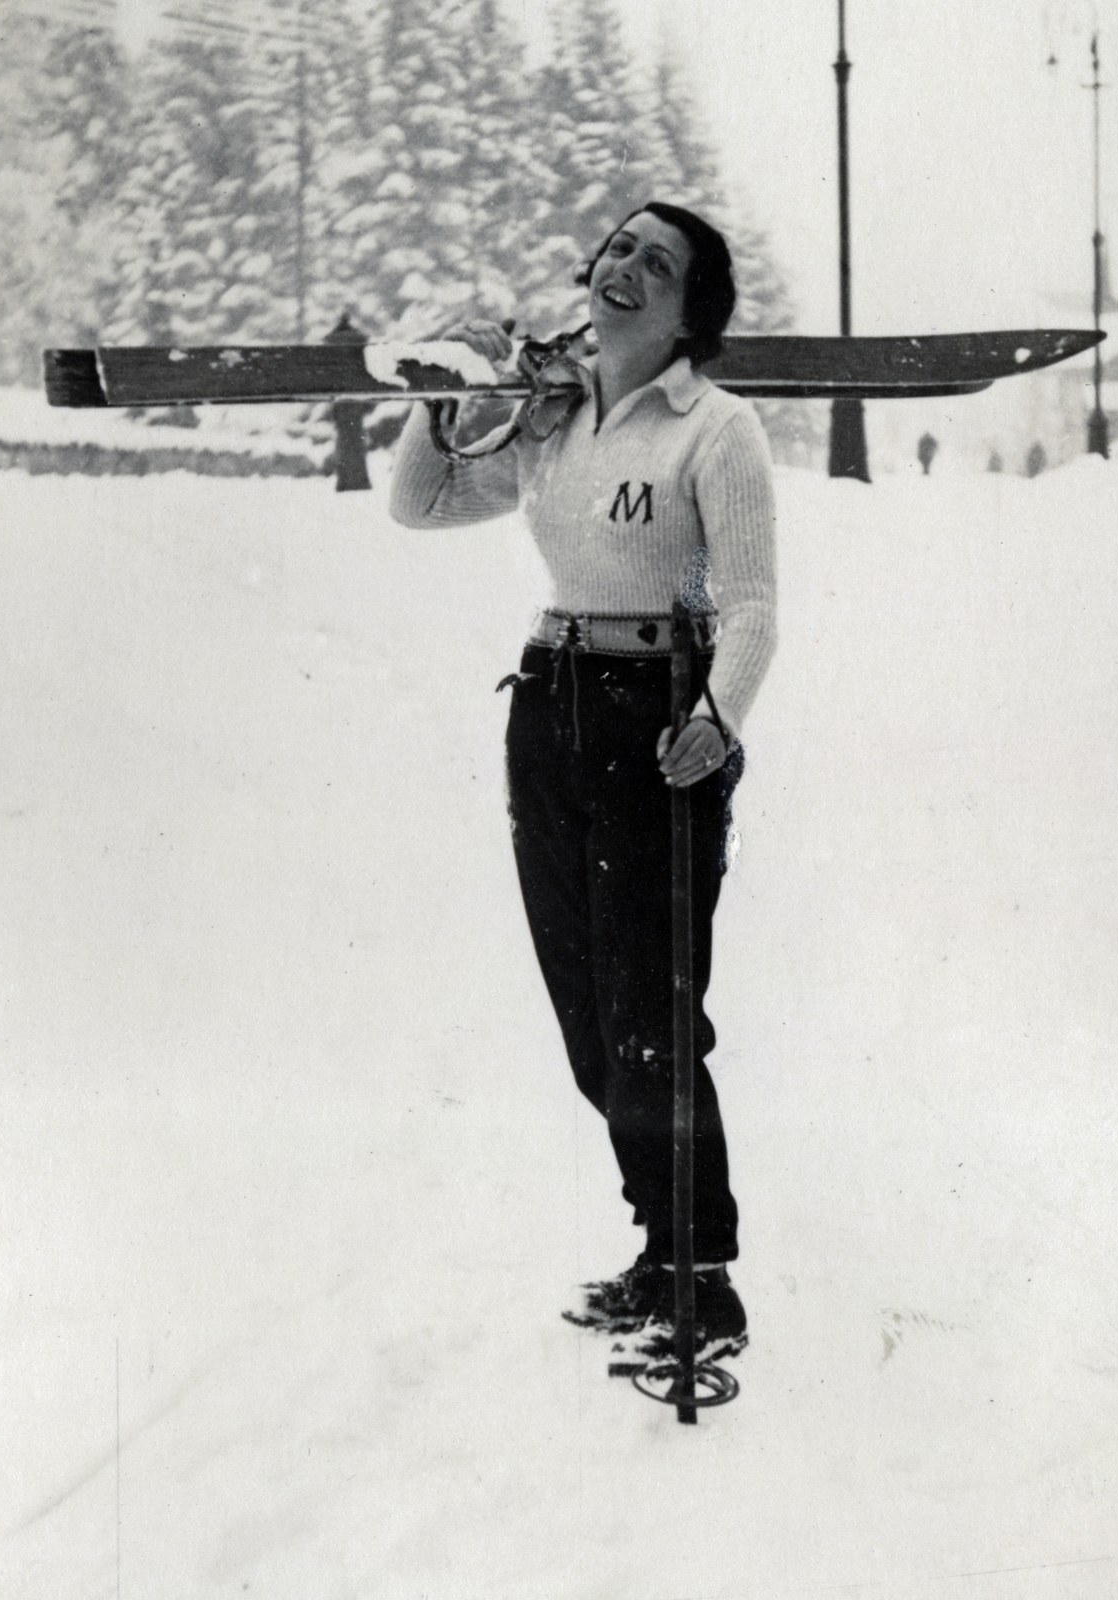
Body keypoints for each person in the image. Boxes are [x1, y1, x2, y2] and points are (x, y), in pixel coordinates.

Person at [389, 201, 777, 1358]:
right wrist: (441, 398)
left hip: (657, 720)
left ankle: (703, 1277)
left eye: (654, 264)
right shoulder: (554, 418)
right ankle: (658, 1249)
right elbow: (419, 502)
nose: (623, 270)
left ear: (685, 313)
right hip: (548, 706)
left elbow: (751, 605)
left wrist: (717, 719)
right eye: (616, 249)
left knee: (650, 1010)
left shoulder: (715, 429)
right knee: (588, 1020)